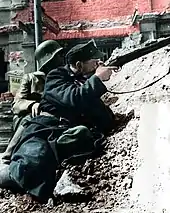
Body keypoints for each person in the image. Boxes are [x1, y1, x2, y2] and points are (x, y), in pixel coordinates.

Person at [0, 40, 133, 203]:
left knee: (82, 135)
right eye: (94, 62)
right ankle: (9, 175)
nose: (99, 64)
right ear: (79, 64)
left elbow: (105, 118)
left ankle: (59, 174)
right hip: (45, 129)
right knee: (30, 164)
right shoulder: (56, 76)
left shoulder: (84, 83)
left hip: (65, 131)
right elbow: (73, 98)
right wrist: (97, 79)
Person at [1, 40, 64, 164]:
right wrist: (32, 104)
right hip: (34, 117)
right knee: (29, 120)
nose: (62, 58)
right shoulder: (30, 78)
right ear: (49, 59)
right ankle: (9, 155)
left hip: (54, 116)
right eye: (58, 55)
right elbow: (16, 104)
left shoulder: (62, 77)